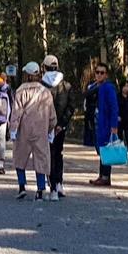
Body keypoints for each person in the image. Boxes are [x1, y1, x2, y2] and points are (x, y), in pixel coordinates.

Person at [8, 62, 58, 200]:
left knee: (20, 157)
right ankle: (40, 189)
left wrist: (13, 129)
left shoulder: (21, 90)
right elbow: (52, 115)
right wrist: (50, 129)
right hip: (41, 130)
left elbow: (16, 112)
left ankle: (22, 186)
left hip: (23, 129)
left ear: (28, 75)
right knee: (41, 158)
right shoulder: (46, 92)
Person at [43, 55, 75, 200]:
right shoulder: (66, 86)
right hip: (60, 127)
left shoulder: (41, 86)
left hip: (46, 126)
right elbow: (71, 107)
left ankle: (53, 187)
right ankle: (60, 183)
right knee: (59, 153)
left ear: (44, 67)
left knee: (49, 154)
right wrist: (62, 124)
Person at [86, 63, 121, 186]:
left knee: (106, 149)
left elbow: (114, 107)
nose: (99, 75)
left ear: (106, 75)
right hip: (96, 122)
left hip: (105, 123)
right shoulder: (93, 87)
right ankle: (102, 175)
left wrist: (114, 126)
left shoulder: (108, 88)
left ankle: (105, 176)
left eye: (102, 72)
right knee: (100, 149)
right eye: (97, 72)